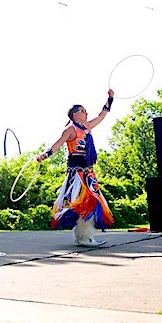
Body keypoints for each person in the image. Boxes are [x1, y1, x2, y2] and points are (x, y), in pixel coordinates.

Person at [37, 89, 116, 246]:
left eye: (86, 111)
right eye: (82, 111)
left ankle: (83, 237)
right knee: (86, 203)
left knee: (89, 203)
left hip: (88, 173)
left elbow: (102, 115)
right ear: (74, 115)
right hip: (77, 174)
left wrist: (110, 99)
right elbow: (58, 144)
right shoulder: (70, 130)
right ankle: (85, 238)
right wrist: (44, 155)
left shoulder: (87, 127)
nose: (86, 113)